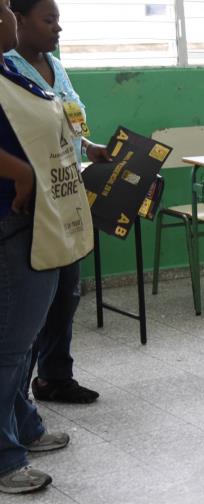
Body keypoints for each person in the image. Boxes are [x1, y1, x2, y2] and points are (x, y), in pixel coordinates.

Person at [0, 0, 94, 492]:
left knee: (21, 343)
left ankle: (25, 427)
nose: (8, 19)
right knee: (9, 347)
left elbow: (60, 124)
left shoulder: (16, 73)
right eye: (4, 10)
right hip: (12, 218)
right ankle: (4, 458)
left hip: (44, 214)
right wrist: (21, 172)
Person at [7, 0, 108, 404]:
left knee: (67, 292)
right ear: (18, 20)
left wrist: (88, 146)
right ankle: (18, 395)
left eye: (59, 20)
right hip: (31, 202)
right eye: (48, 20)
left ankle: (54, 377)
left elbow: (67, 121)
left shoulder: (56, 66)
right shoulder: (9, 68)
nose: (57, 29)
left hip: (66, 193)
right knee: (32, 305)